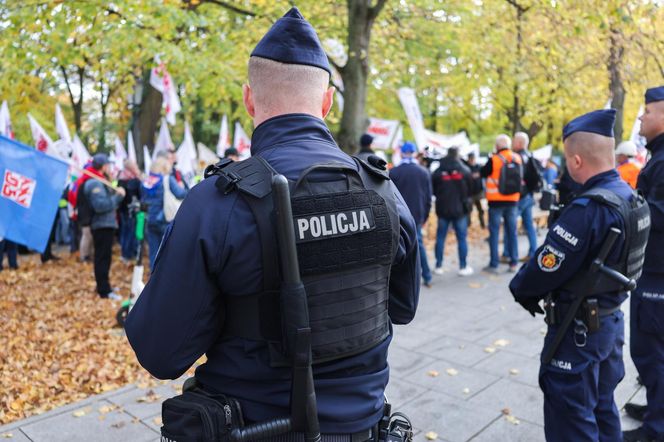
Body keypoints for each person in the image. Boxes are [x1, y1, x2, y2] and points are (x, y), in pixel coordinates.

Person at [125, 7, 419, 437]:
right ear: (327, 101)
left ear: (249, 98)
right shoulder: (383, 192)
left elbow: (160, 352)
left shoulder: (215, 203)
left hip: (254, 427)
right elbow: (402, 308)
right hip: (365, 428)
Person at [510, 109, 649, 442]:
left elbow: (543, 268)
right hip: (610, 325)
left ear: (575, 161)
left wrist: (521, 289)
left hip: (578, 333)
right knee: (602, 409)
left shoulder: (588, 209)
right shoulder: (631, 198)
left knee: (571, 420)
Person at [623, 86, 664, 442]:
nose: (641, 116)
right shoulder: (658, 156)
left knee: (653, 352)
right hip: (652, 270)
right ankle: (656, 409)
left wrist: (626, 208)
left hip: (658, 275)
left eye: (647, 111)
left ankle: (657, 429)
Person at [82, 153, 125, 300]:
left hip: (106, 225)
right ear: (104, 166)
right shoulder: (94, 183)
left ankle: (105, 285)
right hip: (101, 225)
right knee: (101, 258)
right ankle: (104, 290)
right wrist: (118, 197)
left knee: (105, 257)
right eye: (108, 165)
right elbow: (101, 206)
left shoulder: (102, 181)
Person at [390, 141, 433, 287]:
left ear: (402, 153)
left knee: (398, 246)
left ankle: (401, 280)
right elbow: (428, 197)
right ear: (414, 153)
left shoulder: (394, 172)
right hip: (417, 214)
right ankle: (426, 275)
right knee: (418, 245)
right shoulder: (423, 172)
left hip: (398, 215)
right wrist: (425, 216)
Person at [480, 134, 522, 273]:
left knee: (494, 232)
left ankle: (494, 264)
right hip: (513, 201)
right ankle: (514, 262)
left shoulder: (494, 159)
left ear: (497, 146)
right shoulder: (517, 158)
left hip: (496, 202)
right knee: (512, 232)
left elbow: (482, 173)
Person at [431, 147, 474, 276]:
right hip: (460, 210)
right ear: (458, 155)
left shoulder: (438, 171)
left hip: (443, 209)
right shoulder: (465, 170)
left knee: (440, 238)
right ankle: (463, 266)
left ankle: (438, 266)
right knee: (462, 238)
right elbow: (471, 189)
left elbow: (433, 189)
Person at [141, 157, 187, 270]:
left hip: (149, 220)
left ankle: (153, 278)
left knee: (154, 252)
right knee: (168, 251)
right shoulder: (167, 179)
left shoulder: (145, 181)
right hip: (164, 219)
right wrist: (184, 184)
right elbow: (181, 194)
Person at [503, 132, 541, 262]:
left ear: (519, 143)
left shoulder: (516, 158)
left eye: (514, 141)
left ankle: (507, 253)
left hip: (519, 197)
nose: (512, 143)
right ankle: (533, 252)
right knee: (529, 225)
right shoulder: (530, 156)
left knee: (510, 225)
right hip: (528, 196)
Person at [117, 160, 142, 262]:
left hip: (123, 210)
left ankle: (124, 253)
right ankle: (129, 254)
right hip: (131, 210)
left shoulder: (121, 179)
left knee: (125, 232)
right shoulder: (134, 181)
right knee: (131, 233)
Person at [464, 152, 486, 228]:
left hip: (478, 192)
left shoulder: (478, 167)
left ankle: (482, 224)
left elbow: (483, 174)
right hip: (470, 193)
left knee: (481, 210)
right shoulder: (466, 167)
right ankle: (468, 224)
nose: (472, 160)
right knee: (469, 210)